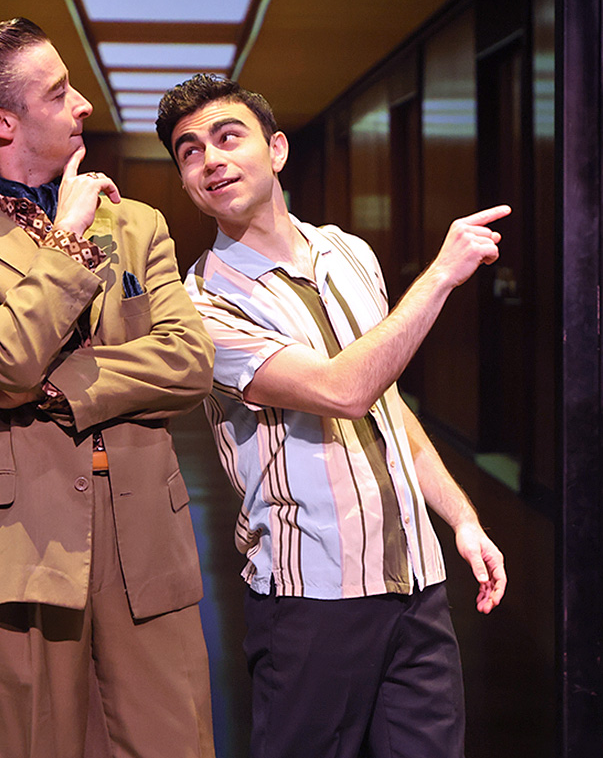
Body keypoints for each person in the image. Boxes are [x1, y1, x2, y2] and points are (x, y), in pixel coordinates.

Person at [0, 18, 217, 758]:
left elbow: (189, 360)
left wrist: (56, 391)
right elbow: (3, 356)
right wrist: (63, 239)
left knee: (171, 742)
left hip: (144, 536)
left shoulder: (139, 222)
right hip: (10, 543)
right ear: (0, 122)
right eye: (58, 92)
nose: (83, 102)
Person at [155, 74, 508, 758]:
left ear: (277, 149)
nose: (211, 159)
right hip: (310, 601)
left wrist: (461, 519)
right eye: (190, 151)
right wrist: (439, 275)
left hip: (419, 586)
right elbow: (343, 388)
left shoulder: (350, 252)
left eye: (228, 137)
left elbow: (385, 400)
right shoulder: (200, 305)